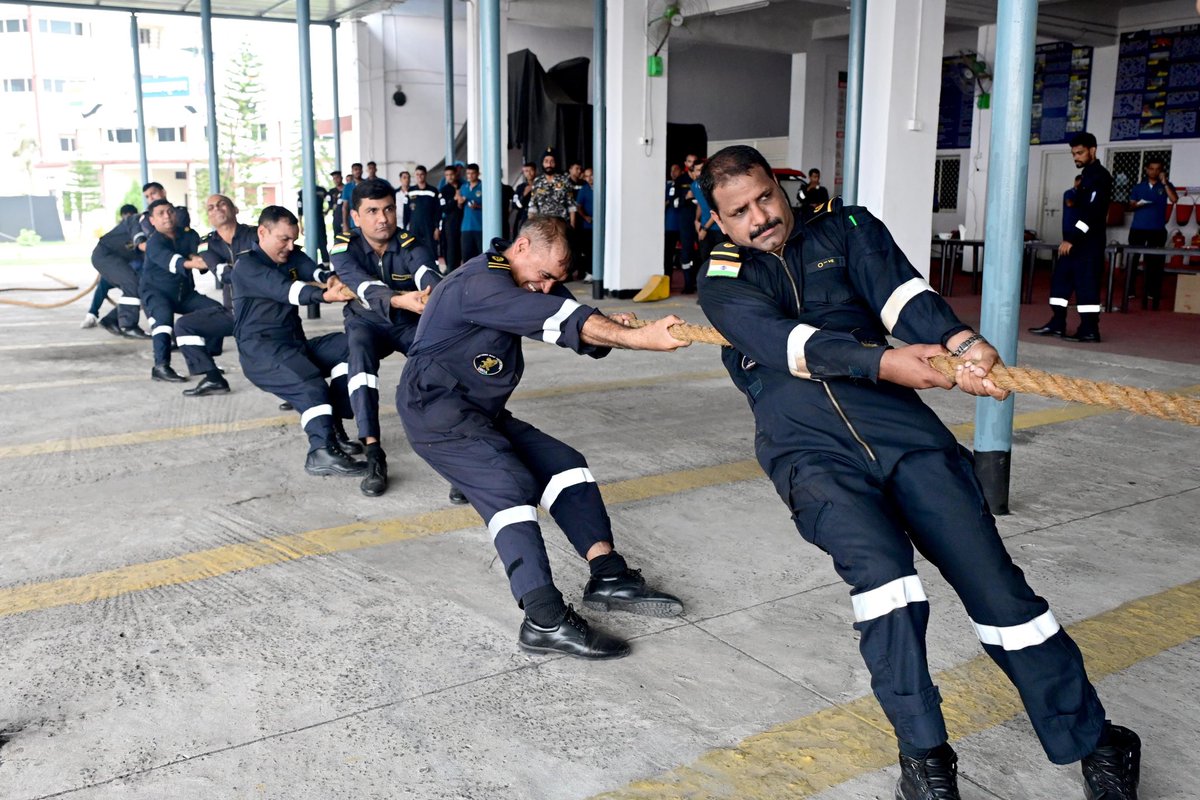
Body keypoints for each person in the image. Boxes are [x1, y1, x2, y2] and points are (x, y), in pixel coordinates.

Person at [696, 145, 1140, 800]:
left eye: (765, 197)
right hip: (809, 451)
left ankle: (1096, 739)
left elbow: (903, 297)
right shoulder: (722, 277)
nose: (761, 217)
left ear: (779, 185)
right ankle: (925, 762)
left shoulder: (847, 230)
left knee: (998, 592)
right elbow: (787, 346)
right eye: (741, 211)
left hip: (904, 433)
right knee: (886, 586)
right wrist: (885, 364)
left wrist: (961, 343)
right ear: (719, 221)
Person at [396, 217, 690, 659]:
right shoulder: (480, 283)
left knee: (566, 465)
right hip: (434, 411)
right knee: (507, 485)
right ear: (522, 246)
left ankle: (608, 574)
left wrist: (612, 328)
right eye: (546, 274)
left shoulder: (532, 281)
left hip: (479, 410)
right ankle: (543, 619)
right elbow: (558, 317)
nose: (549, 285)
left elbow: (575, 322)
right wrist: (640, 338)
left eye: (557, 278)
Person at [232, 206, 365, 476]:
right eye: (284, 239)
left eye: (294, 239)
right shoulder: (247, 266)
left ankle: (333, 424)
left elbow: (312, 269)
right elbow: (289, 291)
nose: (290, 246)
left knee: (351, 346)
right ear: (262, 232)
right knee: (310, 385)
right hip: (262, 353)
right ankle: (321, 452)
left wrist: (330, 279)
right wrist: (325, 297)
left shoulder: (290, 254)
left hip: (294, 346)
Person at [331, 178, 441, 497]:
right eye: (373, 211)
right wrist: (401, 298)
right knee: (359, 358)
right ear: (356, 217)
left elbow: (426, 273)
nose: (383, 218)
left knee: (437, 365)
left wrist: (432, 294)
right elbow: (362, 287)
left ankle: (453, 450)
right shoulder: (343, 248)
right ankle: (373, 453)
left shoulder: (410, 242)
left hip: (407, 323)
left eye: (389, 209)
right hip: (366, 322)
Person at [1029, 132, 1112, 343]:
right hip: (1075, 244)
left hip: (1087, 245)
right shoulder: (1086, 176)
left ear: (1092, 150)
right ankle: (1057, 323)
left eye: (1080, 152)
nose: (1076, 157)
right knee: (1060, 282)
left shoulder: (1099, 176)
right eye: (1073, 153)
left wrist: (1072, 238)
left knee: (1086, 287)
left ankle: (1090, 329)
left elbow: (1093, 213)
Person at [141, 199, 231, 391]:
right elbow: (173, 261)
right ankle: (161, 367)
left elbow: (195, 253)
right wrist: (194, 263)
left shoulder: (189, 235)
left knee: (216, 312)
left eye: (170, 211)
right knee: (163, 323)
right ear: (152, 220)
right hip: (157, 293)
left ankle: (208, 362)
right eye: (161, 213)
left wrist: (203, 259)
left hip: (184, 294)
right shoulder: (154, 242)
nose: (167, 216)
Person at [88, 204, 149, 338]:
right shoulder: (137, 220)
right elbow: (141, 242)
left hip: (120, 262)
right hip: (105, 257)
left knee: (142, 286)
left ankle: (110, 320)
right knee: (132, 284)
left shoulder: (157, 228)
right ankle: (128, 326)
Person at [1126, 156, 1178, 310]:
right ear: (1146, 169)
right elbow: (1130, 206)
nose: (1154, 171)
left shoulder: (1166, 186)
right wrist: (1137, 205)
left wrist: (1165, 183)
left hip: (1157, 230)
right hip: (1138, 228)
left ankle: (1152, 291)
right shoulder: (1138, 187)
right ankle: (1130, 290)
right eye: (1152, 168)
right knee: (1133, 260)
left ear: (1161, 171)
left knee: (1155, 262)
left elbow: (1174, 199)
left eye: (1158, 169)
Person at [200, 194, 258, 312]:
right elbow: (223, 274)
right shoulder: (205, 244)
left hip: (263, 303)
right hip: (233, 308)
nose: (216, 208)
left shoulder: (256, 234)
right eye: (211, 208)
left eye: (221, 204)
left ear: (235, 209)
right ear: (209, 217)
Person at [690, 159, 724, 265]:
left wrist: (705, 228)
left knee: (719, 261)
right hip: (704, 228)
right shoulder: (694, 185)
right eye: (697, 170)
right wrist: (696, 220)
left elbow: (716, 208)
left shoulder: (712, 185)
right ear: (694, 171)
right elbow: (700, 204)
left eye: (702, 169)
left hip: (718, 228)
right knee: (705, 260)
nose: (700, 172)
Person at [527, 148, 573, 222]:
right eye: (546, 161)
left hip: (561, 224)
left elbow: (571, 206)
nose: (549, 164)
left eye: (552, 161)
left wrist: (572, 228)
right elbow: (532, 207)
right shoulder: (537, 181)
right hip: (543, 225)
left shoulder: (564, 180)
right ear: (542, 163)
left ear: (556, 163)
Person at [408, 165, 440, 256]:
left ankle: (433, 269)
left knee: (431, 250)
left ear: (425, 175)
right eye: (417, 174)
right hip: (414, 226)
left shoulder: (433, 191)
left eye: (421, 174)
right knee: (414, 249)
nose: (419, 176)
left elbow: (438, 211)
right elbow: (406, 211)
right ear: (414, 176)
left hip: (429, 226)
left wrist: (437, 228)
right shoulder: (410, 191)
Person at [297, 184, 331, 264]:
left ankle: (326, 264)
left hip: (319, 219)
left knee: (323, 243)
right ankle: (311, 265)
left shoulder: (321, 190)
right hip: (308, 221)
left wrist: (327, 210)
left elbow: (330, 199)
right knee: (310, 243)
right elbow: (300, 210)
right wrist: (301, 226)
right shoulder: (302, 192)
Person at [439, 165, 463, 271]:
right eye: (447, 175)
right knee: (451, 247)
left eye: (451, 174)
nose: (450, 177)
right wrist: (454, 199)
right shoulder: (444, 190)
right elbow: (445, 208)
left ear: (455, 174)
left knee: (463, 247)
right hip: (450, 222)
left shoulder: (463, 186)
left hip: (463, 221)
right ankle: (451, 270)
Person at [459, 163, 484, 261]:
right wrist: (460, 202)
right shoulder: (464, 187)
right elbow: (460, 206)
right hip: (466, 227)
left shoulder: (483, 186)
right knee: (466, 255)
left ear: (478, 174)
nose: (470, 176)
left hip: (480, 226)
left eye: (473, 173)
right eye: (468, 173)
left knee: (481, 254)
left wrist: (477, 206)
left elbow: (491, 205)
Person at [575, 167, 595, 281]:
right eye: (587, 176)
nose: (589, 178)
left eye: (591, 175)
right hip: (588, 226)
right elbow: (578, 206)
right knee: (588, 250)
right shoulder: (584, 189)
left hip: (601, 226)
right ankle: (590, 272)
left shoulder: (603, 186)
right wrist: (585, 217)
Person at [663, 164, 682, 277]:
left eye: (676, 170)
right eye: (671, 170)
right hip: (669, 225)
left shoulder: (686, 184)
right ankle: (668, 277)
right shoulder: (667, 186)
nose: (673, 172)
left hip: (684, 224)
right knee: (668, 253)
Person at [511, 161, 537, 235]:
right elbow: (515, 205)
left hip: (538, 216)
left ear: (535, 171)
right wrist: (524, 195)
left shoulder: (541, 185)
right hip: (524, 216)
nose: (529, 173)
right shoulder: (520, 188)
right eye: (526, 171)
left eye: (531, 170)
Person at [341, 162, 363, 234]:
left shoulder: (367, 184)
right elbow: (345, 207)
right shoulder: (347, 187)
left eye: (359, 169)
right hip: (353, 221)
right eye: (355, 169)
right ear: (352, 171)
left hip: (367, 219)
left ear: (362, 171)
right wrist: (345, 224)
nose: (357, 171)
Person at [330, 170, 346, 239]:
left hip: (347, 217)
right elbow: (331, 205)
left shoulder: (346, 189)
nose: (336, 180)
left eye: (337, 178)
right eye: (334, 178)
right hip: (336, 217)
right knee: (337, 238)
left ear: (341, 178)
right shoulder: (331, 191)